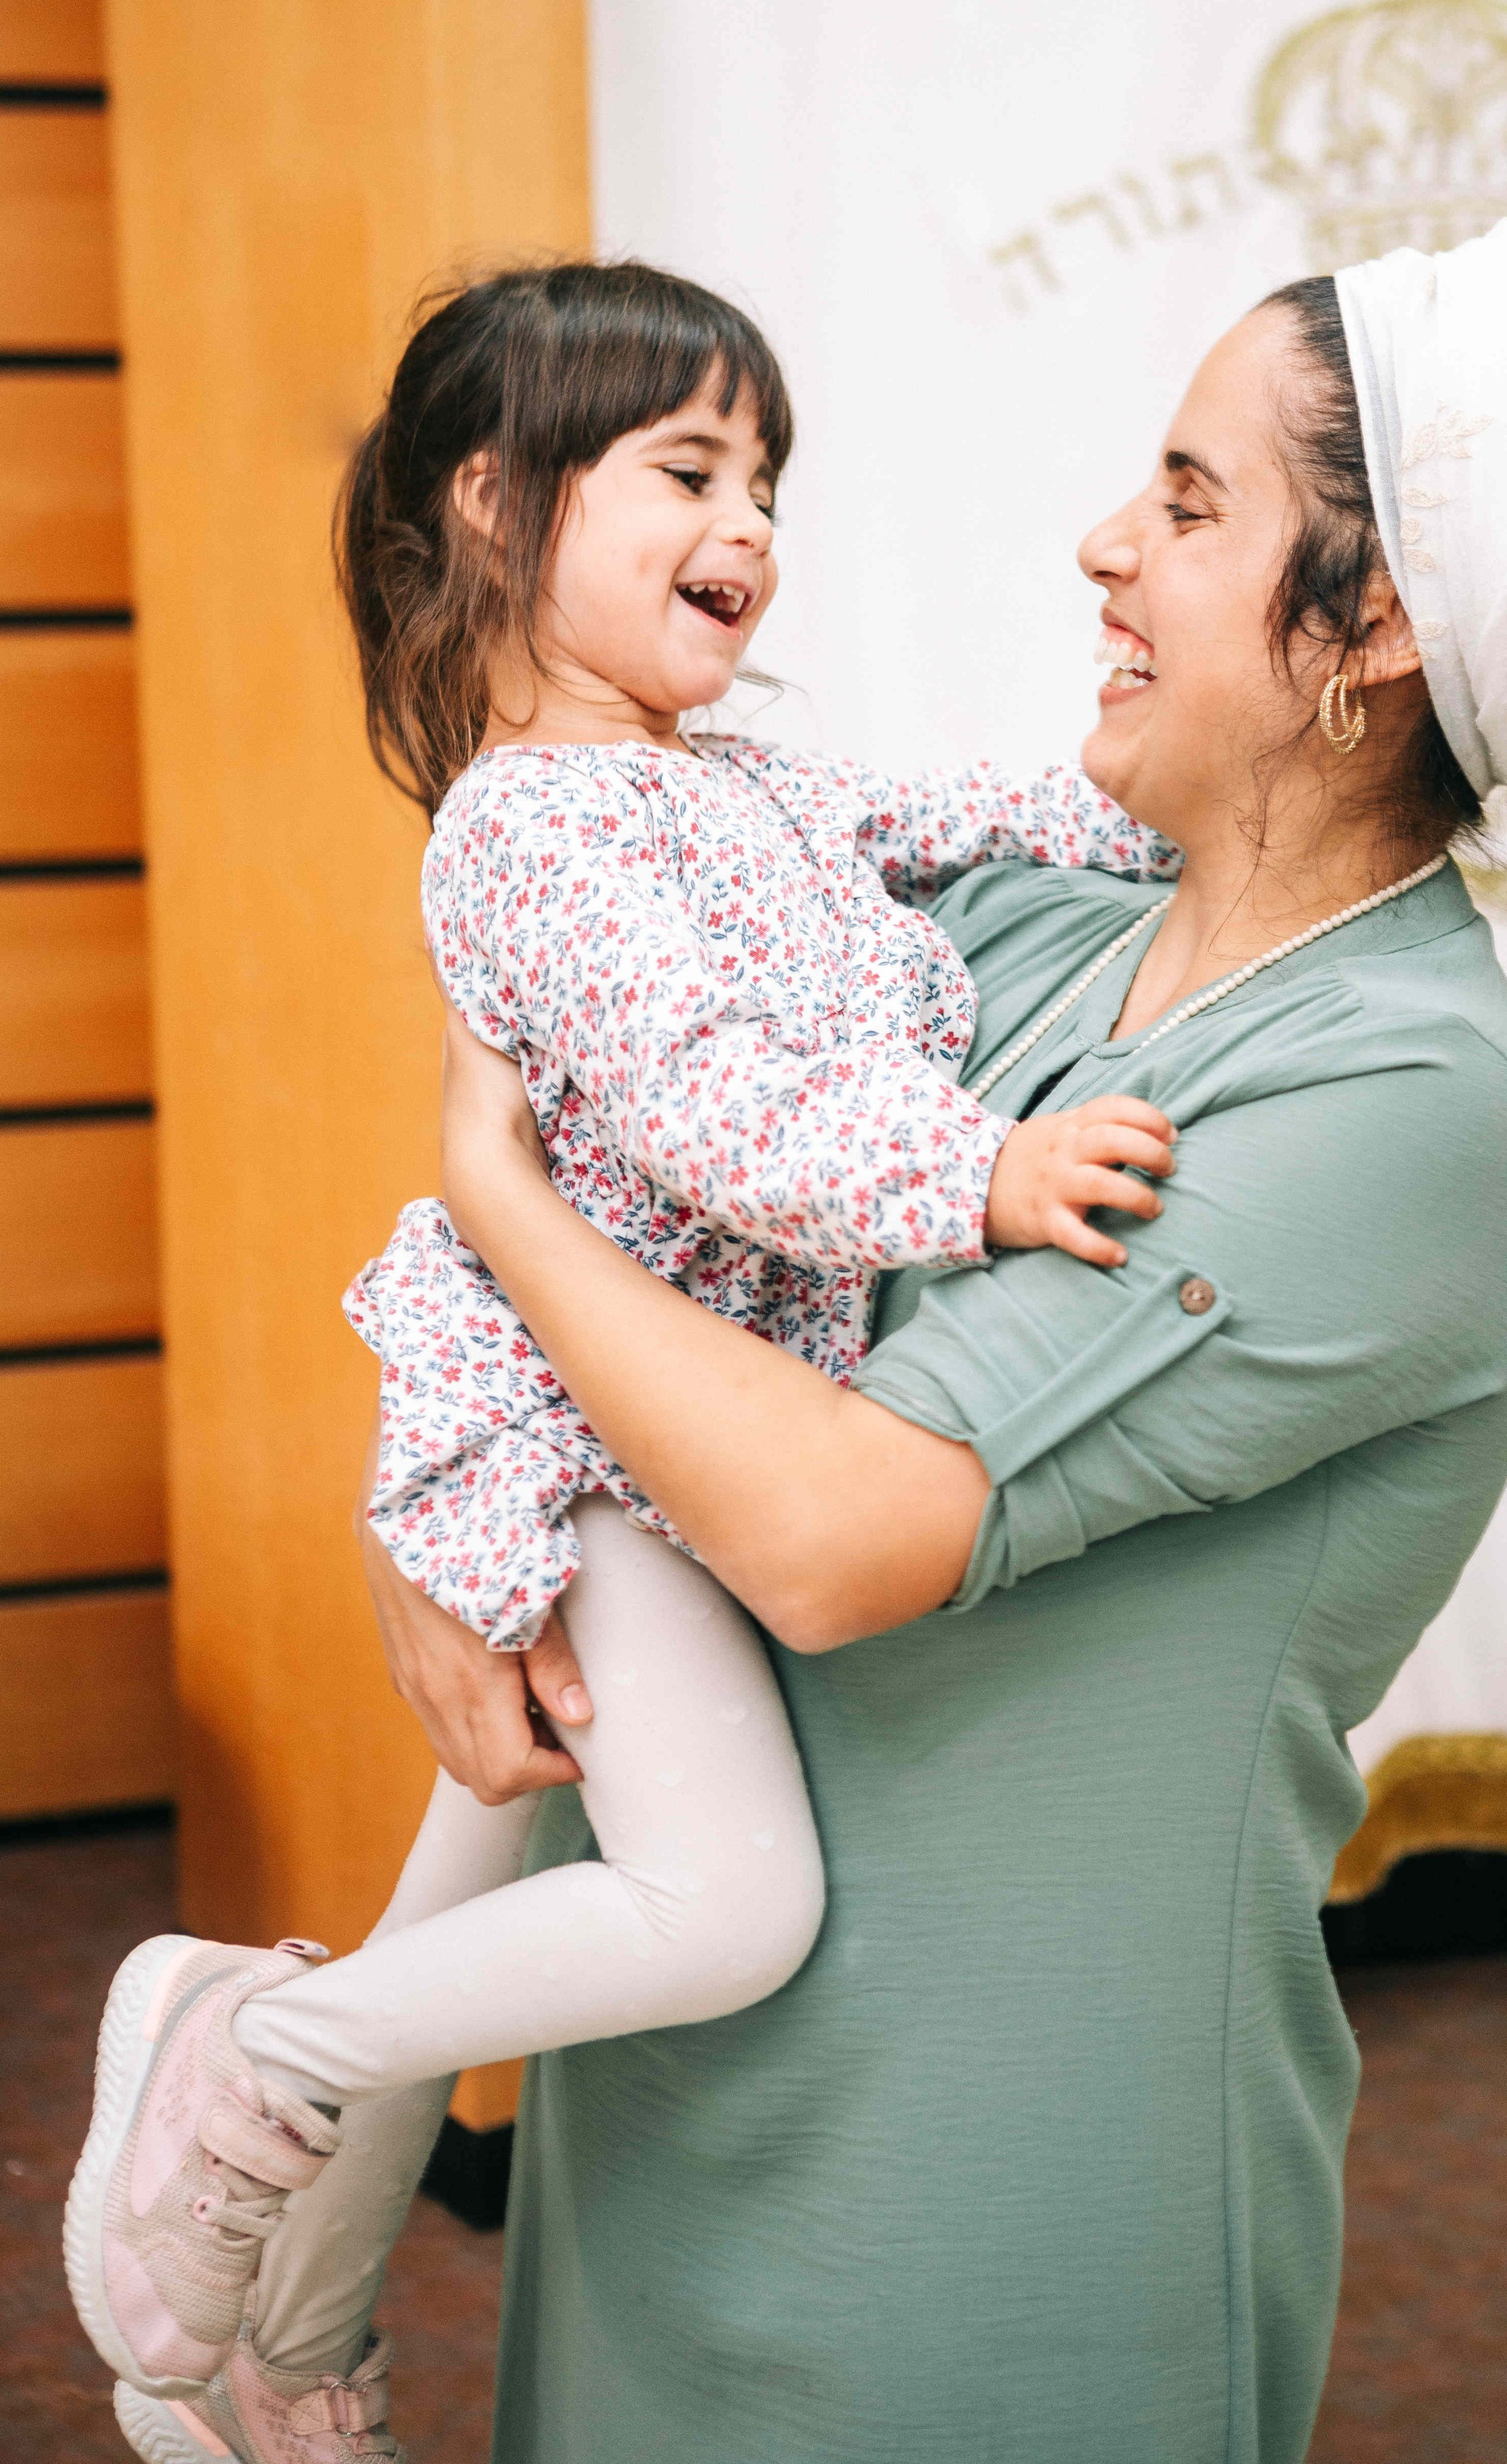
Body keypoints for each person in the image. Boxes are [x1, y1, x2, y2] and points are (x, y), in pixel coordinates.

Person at [63, 258, 1185, 2464]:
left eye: (765, 477)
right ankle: (250, 2060)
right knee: (727, 1904)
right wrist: (979, 1175)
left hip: (656, 1414)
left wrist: (1175, 808)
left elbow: (963, 814)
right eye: (689, 467)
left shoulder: (731, 783)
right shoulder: (538, 824)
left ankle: (270, 2329)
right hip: (598, 1433)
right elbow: (703, 1109)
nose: (749, 523)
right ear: (495, 504)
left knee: (465, 1874)